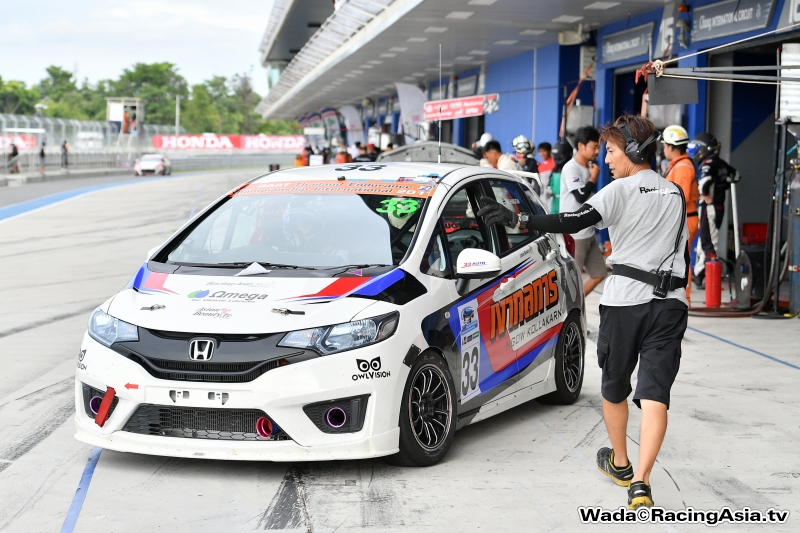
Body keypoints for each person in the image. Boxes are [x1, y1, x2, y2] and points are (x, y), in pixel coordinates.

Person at [477, 114, 689, 511]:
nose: (605, 159)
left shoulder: (618, 191)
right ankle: (641, 484)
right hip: (670, 305)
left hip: (626, 302)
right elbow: (684, 255)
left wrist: (519, 219)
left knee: (614, 386)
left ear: (632, 150)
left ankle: (621, 463)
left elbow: (573, 221)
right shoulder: (674, 193)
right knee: (656, 395)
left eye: (610, 150)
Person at [687, 133, 740, 286]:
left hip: (709, 207)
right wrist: (724, 184)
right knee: (706, 241)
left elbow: (703, 183)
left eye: (696, 149)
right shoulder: (722, 163)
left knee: (708, 242)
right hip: (718, 206)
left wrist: (705, 195)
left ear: (704, 149)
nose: (694, 153)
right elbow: (736, 176)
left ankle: (702, 275)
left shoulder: (708, 164)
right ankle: (699, 273)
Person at [560, 126, 606, 295]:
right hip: (575, 235)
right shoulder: (571, 168)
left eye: (598, 147)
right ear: (581, 146)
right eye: (594, 147)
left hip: (588, 232)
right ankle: (568, 311)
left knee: (599, 273)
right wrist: (593, 178)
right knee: (572, 280)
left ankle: (578, 305)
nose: (597, 151)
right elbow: (580, 195)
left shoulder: (588, 167)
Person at [662, 125, 699, 304]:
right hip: (682, 218)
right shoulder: (678, 165)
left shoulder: (683, 167)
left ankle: (686, 297)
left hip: (684, 218)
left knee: (682, 258)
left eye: (665, 145)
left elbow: (680, 197)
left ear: (672, 147)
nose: (663, 149)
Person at [548, 139, 573, 214]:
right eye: (555, 156)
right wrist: (548, 189)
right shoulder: (555, 169)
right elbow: (550, 182)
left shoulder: (570, 169)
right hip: (555, 203)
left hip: (567, 205)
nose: (557, 158)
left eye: (560, 155)